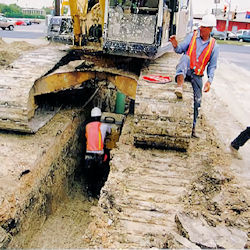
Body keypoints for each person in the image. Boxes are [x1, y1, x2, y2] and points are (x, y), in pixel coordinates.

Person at [169, 14, 219, 138]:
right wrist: (175, 44)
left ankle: (192, 128)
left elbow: (212, 66)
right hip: (186, 70)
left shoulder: (214, 46)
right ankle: (179, 86)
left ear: (210, 29)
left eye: (204, 27)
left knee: (197, 101)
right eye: (201, 26)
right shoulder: (192, 36)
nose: (200, 28)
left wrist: (209, 81)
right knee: (185, 58)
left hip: (197, 75)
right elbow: (180, 49)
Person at [84, 107, 111, 196]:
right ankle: (97, 192)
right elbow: (109, 131)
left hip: (88, 154)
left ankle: (89, 191)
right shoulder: (103, 125)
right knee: (98, 174)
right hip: (99, 155)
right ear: (100, 116)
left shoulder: (87, 126)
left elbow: (87, 136)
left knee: (90, 174)